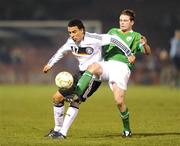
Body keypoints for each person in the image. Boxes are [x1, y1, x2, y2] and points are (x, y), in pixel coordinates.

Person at [43, 19, 135, 139]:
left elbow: (114, 39)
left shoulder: (94, 38)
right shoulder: (70, 42)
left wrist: (128, 53)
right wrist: (50, 64)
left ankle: (62, 133)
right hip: (79, 74)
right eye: (70, 32)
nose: (72, 35)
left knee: (75, 100)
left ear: (82, 30)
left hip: (93, 76)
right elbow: (61, 51)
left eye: (74, 32)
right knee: (56, 98)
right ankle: (57, 130)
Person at [74, 9, 151, 137]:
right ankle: (77, 93)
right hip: (108, 63)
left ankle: (127, 129)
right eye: (121, 20)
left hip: (122, 68)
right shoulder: (113, 32)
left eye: (125, 20)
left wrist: (145, 44)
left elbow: (147, 51)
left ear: (132, 22)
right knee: (92, 67)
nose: (122, 23)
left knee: (119, 101)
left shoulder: (136, 36)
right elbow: (102, 43)